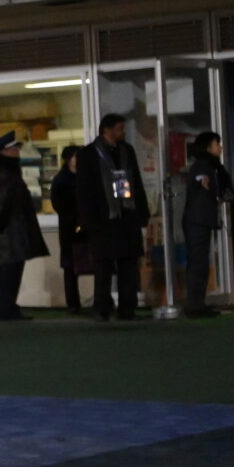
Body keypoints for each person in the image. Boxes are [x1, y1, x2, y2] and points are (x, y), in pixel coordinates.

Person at [81, 113, 151, 319]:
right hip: (102, 219)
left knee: (129, 264)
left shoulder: (126, 151)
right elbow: (84, 190)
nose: (123, 132)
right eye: (119, 128)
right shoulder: (89, 154)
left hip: (126, 216)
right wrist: (88, 220)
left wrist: (141, 212)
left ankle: (127, 308)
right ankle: (102, 307)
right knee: (103, 265)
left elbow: (135, 181)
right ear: (107, 130)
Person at [0, 132, 47, 320]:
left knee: (9, 270)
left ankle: (6, 307)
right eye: (13, 149)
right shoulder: (7, 174)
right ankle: (6, 308)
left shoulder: (3, 173)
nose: (17, 152)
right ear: (4, 152)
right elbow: (1, 204)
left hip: (10, 230)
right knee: (9, 271)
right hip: (11, 231)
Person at [181, 130, 228, 317]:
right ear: (208, 147)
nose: (220, 148)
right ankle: (194, 305)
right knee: (198, 262)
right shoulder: (203, 167)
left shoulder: (208, 166)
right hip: (198, 221)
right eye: (217, 144)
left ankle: (198, 302)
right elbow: (204, 188)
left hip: (200, 220)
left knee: (200, 261)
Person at [48, 145, 84, 311]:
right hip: (69, 226)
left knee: (93, 260)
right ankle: (73, 303)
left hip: (86, 225)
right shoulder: (61, 180)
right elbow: (58, 204)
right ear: (69, 159)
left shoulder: (86, 177)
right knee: (70, 265)